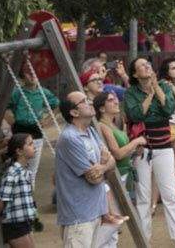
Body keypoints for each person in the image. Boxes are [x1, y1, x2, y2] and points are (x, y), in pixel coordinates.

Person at [121, 57, 175, 245]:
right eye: (142, 65)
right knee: (143, 197)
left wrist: (156, 88)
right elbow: (136, 114)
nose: (147, 66)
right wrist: (150, 94)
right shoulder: (131, 93)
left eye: (148, 64)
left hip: (164, 146)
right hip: (143, 148)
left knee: (170, 194)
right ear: (135, 74)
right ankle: (145, 240)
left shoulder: (164, 86)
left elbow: (168, 109)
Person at [53, 90, 116, 248]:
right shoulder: (69, 138)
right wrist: (104, 168)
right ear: (74, 112)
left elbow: (112, 161)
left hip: (96, 211)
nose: (89, 102)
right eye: (84, 101)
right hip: (78, 218)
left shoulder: (91, 131)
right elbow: (94, 179)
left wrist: (102, 166)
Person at [0, 133, 39, 248]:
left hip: (25, 222)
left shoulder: (26, 172)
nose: (34, 146)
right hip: (15, 225)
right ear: (19, 151)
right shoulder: (13, 173)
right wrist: (7, 215)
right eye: (30, 144)